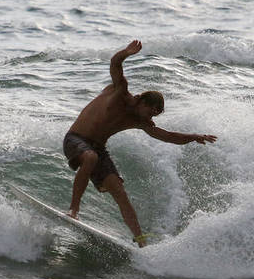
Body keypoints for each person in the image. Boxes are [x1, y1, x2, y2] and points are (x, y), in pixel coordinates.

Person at [62, 40, 217, 247]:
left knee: (119, 191)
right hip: (76, 139)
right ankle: (74, 210)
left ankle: (141, 241)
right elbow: (115, 64)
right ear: (142, 101)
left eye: (155, 114)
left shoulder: (140, 120)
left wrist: (193, 136)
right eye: (151, 111)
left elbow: (167, 136)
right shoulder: (120, 92)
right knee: (90, 157)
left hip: (98, 148)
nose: (151, 117)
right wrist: (126, 53)